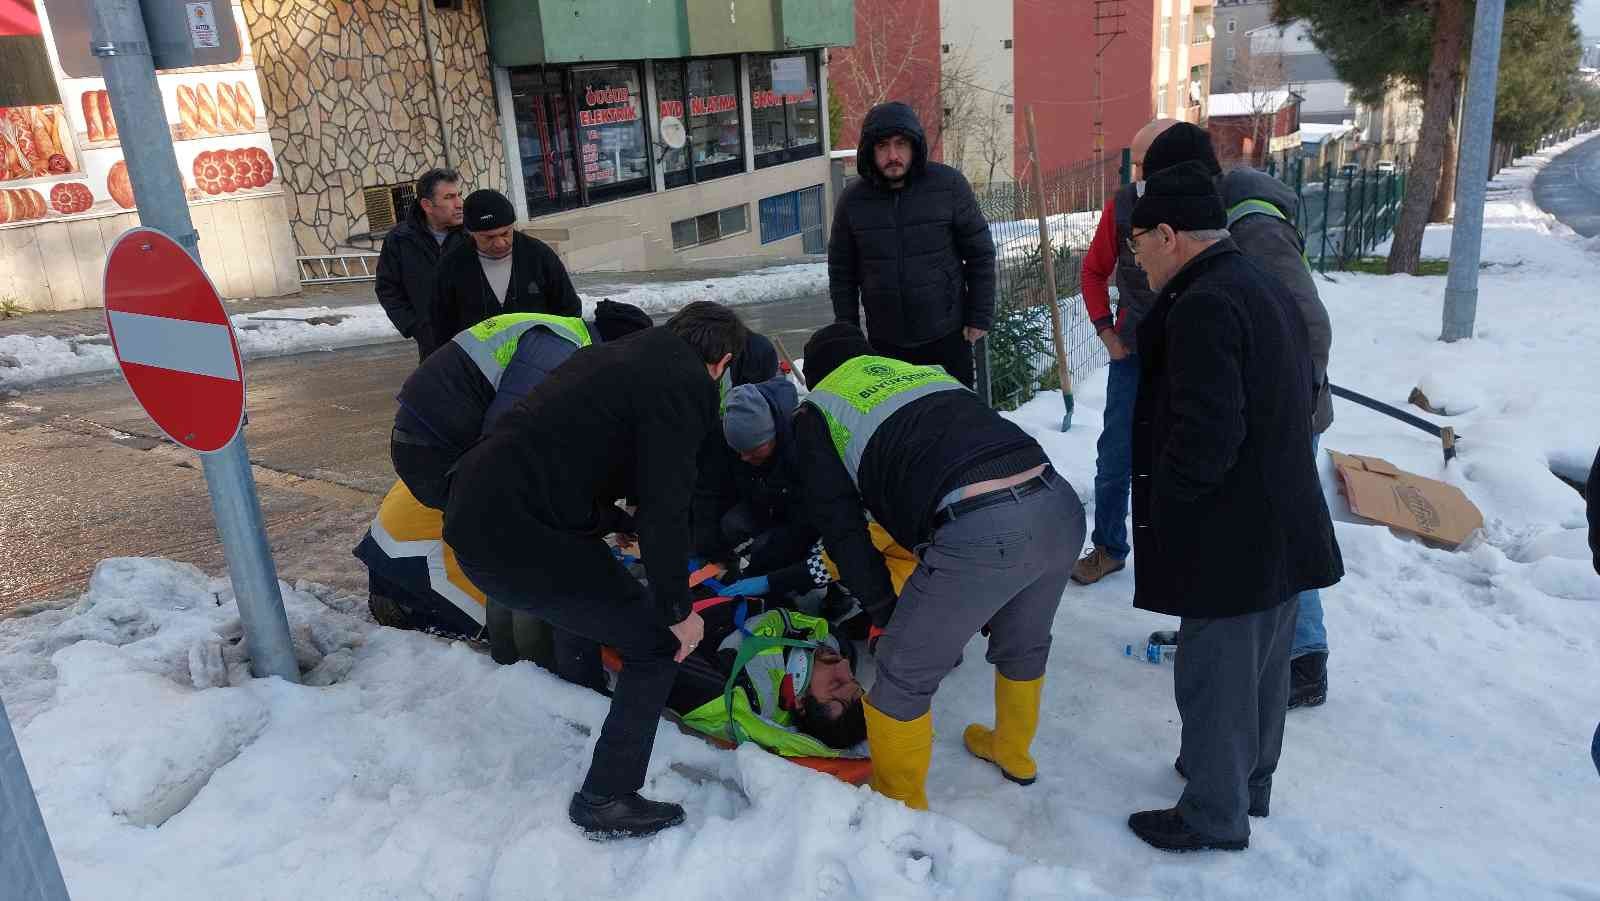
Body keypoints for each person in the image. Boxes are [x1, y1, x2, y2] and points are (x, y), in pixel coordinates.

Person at [444, 301, 748, 839]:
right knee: (657, 644)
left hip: (475, 510)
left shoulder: (621, 357)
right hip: (518, 536)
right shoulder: (685, 384)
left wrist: (612, 519)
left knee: (604, 602)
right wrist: (678, 609)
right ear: (721, 362)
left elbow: (567, 455)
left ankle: (590, 705)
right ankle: (607, 798)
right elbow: (666, 506)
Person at [1120, 162, 1343, 853]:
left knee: (1214, 672)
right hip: (1281, 513)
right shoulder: (1258, 282)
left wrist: (1177, 505)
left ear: (1168, 234)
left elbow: (1206, 434)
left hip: (1231, 528)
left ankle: (1215, 812)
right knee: (1264, 669)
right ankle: (1248, 781)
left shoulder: (1205, 303)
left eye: (1138, 246)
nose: (1136, 261)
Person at [794, 322, 1086, 810]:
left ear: (817, 377)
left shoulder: (820, 409)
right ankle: (1012, 751)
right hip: (1058, 505)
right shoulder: (921, 373)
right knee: (1024, 642)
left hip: (980, 525)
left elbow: (845, 533)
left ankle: (899, 805)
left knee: (901, 675)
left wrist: (887, 612)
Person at [1138, 122, 1338, 710]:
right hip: (1253, 411)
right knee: (1242, 542)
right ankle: (1225, 631)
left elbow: (1309, 322)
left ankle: (1304, 657)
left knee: (1275, 535)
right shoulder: (1215, 224)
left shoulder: (1250, 227)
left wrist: (1282, 402)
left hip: (1280, 416)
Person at [356, 301, 654, 640]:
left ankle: (519, 630)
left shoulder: (565, 338)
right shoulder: (560, 350)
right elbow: (509, 441)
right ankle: (522, 639)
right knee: (511, 535)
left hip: (429, 444)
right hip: (434, 450)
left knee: (514, 525)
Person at [1073, 118, 1180, 588]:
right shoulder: (1122, 207)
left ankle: (1183, 555)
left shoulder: (1208, 209)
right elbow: (1093, 272)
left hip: (1189, 354)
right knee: (1115, 455)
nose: (1135, 172)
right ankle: (1109, 547)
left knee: (1182, 457)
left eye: (1143, 162)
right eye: (1133, 162)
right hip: (1132, 353)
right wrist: (1105, 331)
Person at [827, 101, 996, 388]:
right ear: (870, 151)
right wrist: (850, 331)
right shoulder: (853, 201)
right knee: (900, 426)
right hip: (885, 343)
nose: (893, 155)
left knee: (955, 421)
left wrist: (979, 315)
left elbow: (980, 254)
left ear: (915, 146)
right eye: (882, 146)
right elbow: (842, 272)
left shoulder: (949, 186)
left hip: (947, 336)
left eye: (901, 144)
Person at [667, 598, 866, 758]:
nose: (844, 664)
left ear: (799, 701)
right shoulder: (833, 646)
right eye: (855, 681)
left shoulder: (718, 691)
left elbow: (660, 650)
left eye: (836, 683)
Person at [693, 380, 819, 597]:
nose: (744, 458)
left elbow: (808, 520)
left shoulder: (803, 447)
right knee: (731, 524)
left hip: (808, 524)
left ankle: (829, 594)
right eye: (739, 451)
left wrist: (764, 568)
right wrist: (714, 552)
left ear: (773, 435)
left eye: (753, 451)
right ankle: (741, 571)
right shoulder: (727, 442)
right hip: (764, 505)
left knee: (770, 550)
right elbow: (709, 495)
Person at [430, 189, 582, 344]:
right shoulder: (451, 266)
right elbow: (441, 328)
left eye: (505, 233)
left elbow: (569, 310)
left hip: (540, 358)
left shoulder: (539, 256)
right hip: (478, 363)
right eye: (488, 237)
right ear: (471, 232)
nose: (499, 243)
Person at [376, 168, 467, 360]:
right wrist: (416, 327)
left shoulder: (474, 235)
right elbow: (387, 289)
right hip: (433, 350)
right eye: (449, 197)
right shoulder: (400, 240)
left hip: (480, 341)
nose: (459, 204)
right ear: (427, 205)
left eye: (459, 195)